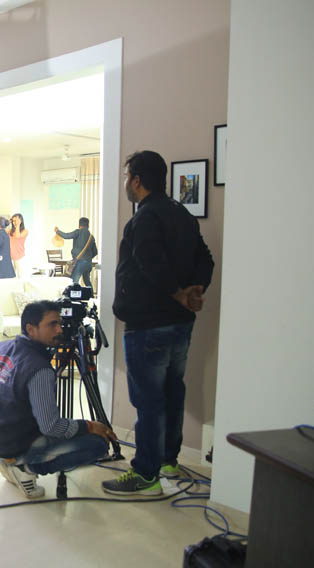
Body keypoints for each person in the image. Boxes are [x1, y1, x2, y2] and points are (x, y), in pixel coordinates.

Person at [101, 150, 214, 496]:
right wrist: (196, 289)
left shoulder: (145, 217)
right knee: (172, 392)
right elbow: (206, 258)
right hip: (180, 324)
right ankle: (167, 461)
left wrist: (179, 293)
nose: (126, 183)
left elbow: (149, 261)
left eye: (127, 177)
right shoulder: (182, 213)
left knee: (149, 400)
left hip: (149, 325)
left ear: (137, 180)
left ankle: (145, 474)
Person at [0, 300, 117, 499]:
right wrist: (88, 426)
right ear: (31, 329)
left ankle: (10, 459)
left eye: (60, 323)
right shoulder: (39, 369)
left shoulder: (0, 347)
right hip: (14, 442)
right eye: (52, 324)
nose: (60, 330)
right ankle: (26, 469)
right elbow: (51, 426)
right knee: (98, 445)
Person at [54, 217, 97, 290]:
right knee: (87, 281)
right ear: (88, 225)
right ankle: (91, 294)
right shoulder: (91, 237)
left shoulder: (78, 232)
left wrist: (57, 231)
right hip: (89, 263)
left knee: (74, 282)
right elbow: (95, 252)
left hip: (80, 262)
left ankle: (74, 295)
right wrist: (87, 257)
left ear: (79, 225)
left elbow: (66, 236)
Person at [7, 213, 29, 278]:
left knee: (20, 276)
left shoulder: (25, 231)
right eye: (13, 221)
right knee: (12, 277)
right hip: (11, 257)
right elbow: (1, 231)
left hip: (20, 257)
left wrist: (18, 225)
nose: (15, 222)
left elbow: (17, 236)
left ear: (21, 220)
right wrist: (8, 222)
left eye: (16, 220)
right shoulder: (10, 231)